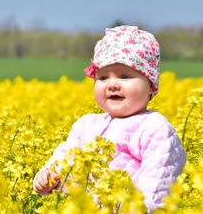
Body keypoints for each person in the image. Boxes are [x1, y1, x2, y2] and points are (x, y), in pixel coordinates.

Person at [33, 25, 187, 212]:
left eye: (124, 76)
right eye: (103, 77)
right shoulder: (86, 125)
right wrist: (48, 176)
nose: (113, 84)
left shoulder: (155, 128)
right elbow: (65, 160)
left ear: (150, 85)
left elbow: (159, 184)